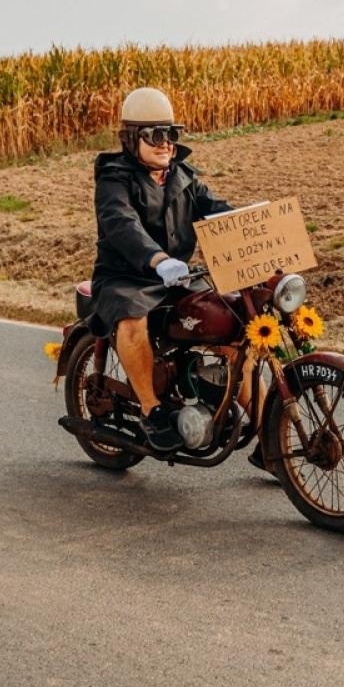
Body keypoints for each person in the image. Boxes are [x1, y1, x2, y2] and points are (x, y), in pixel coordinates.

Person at [90, 87, 236, 452]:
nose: (165, 143)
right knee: (132, 318)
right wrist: (158, 260)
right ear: (131, 138)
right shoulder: (114, 178)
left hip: (177, 276)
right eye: (155, 135)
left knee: (235, 318)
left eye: (171, 133)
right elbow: (121, 223)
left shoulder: (184, 177)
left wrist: (251, 224)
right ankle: (152, 410)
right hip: (126, 277)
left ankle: (265, 430)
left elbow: (216, 209)